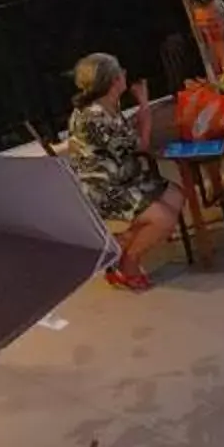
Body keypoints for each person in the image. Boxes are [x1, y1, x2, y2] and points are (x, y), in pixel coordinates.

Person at [65, 54, 183, 293]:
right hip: (104, 189)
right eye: (120, 71)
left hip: (124, 177)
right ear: (112, 81)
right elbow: (142, 143)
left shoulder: (107, 105)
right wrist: (145, 107)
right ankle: (128, 264)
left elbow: (126, 137)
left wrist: (140, 112)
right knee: (164, 219)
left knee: (176, 196)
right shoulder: (94, 116)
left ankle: (120, 246)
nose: (125, 74)